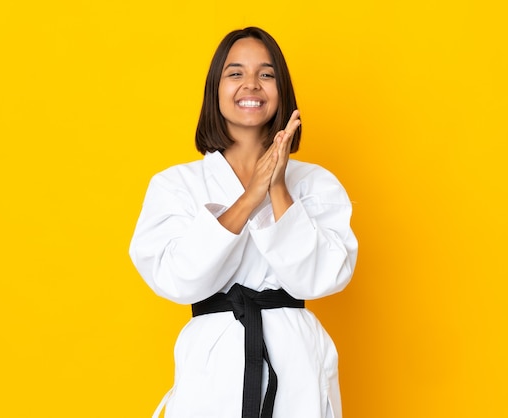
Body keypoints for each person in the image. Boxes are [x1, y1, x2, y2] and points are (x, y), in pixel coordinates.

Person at [129, 26, 358, 418]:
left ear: (281, 91)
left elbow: (322, 278)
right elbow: (176, 278)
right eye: (235, 73)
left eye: (266, 74)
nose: (251, 85)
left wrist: (278, 187)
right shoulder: (175, 185)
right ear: (215, 91)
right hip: (212, 364)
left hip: (297, 362)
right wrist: (252, 194)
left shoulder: (316, 183)